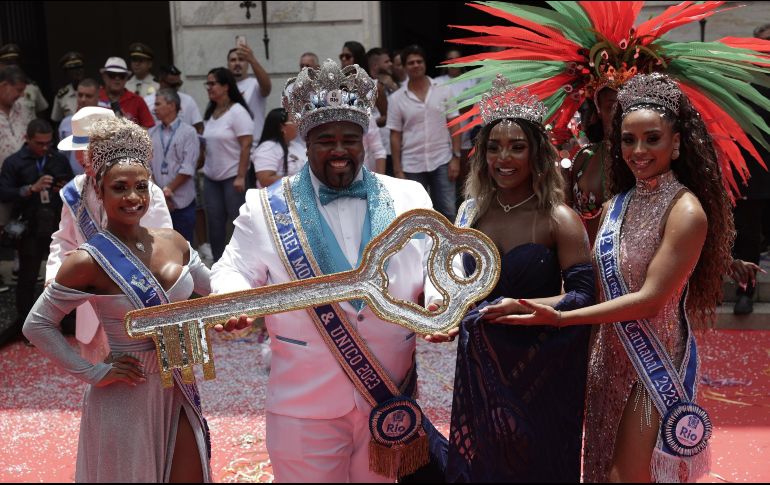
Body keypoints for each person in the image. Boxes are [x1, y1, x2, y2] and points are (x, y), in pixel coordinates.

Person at [495, 73, 733, 482]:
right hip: (606, 360)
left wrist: (561, 318)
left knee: (624, 476)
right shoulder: (616, 205)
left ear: (676, 144)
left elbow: (651, 300)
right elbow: (589, 286)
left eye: (652, 138)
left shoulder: (686, 211)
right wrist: (529, 304)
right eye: (628, 139)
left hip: (653, 366)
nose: (638, 150)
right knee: (600, 466)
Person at [212, 59, 436, 482]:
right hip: (304, 403)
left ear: (365, 141)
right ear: (306, 143)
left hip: (390, 395)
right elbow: (233, 268)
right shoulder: (265, 208)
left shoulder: (410, 195)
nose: (339, 150)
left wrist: (440, 301)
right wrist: (232, 300)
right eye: (325, 140)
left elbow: (435, 265)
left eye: (349, 139)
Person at [425, 76, 595, 482]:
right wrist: (444, 313)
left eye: (517, 147)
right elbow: (461, 289)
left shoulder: (559, 218)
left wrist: (525, 308)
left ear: (536, 155)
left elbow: (585, 297)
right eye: (494, 147)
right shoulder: (469, 215)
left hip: (541, 366)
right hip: (482, 368)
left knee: (537, 463)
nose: (504, 157)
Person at [24, 116, 212, 482]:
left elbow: (212, 290)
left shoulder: (173, 241)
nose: (133, 197)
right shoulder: (88, 259)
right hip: (128, 392)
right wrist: (94, 372)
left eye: (141, 186)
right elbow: (36, 324)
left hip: (179, 387)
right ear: (99, 190)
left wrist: (231, 313)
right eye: (120, 188)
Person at [47, 106, 172, 364]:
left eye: (89, 150)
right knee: (99, 385)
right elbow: (63, 239)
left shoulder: (146, 193)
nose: (83, 158)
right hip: (90, 311)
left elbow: (164, 245)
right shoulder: (74, 192)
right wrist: (55, 275)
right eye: (78, 151)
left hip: (137, 305)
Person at [0, 119, 73, 346]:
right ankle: (27, 327)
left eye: (48, 143)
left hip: (56, 225)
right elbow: (4, 192)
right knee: (28, 278)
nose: (44, 147)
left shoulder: (58, 158)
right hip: (29, 227)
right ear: (27, 140)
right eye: (39, 143)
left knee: (66, 276)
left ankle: (68, 324)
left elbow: (74, 185)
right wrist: (30, 189)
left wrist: (65, 189)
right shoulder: (14, 162)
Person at [388, 44, 461, 220]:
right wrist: (398, 171)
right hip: (412, 163)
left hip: (442, 160)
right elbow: (395, 135)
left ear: (425, 64)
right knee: (415, 215)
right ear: (405, 67)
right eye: (411, 62)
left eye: (419, 61)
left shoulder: (444, 90)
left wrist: (456, 157)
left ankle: (450, 248)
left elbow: (454, 124)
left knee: (448, 212)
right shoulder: (396, 98)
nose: (415, 65)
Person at [201, 67, 253, 262]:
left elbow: (246, 144)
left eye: (212, 83)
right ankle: (218, 262)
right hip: (211, 178)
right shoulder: (211, 112)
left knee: (237, 222)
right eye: (208, 83)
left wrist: (241, 176)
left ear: (225, 86)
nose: (209, 87)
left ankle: (241, 262)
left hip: (233, 178)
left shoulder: (238, 112)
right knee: (214, 223)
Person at [149, 88, 200, 243]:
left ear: (171, 105)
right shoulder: (151, 133)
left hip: (182, 202)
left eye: (158, 104)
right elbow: (147, 167)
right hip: (158, 202)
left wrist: (168, 191)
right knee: (161, 247)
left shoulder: (189, 132)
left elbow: (188, 167)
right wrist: (161, 194)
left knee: (183, 247)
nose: (154, 108)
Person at [227, 43, 271, 142]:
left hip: (254, 144)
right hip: (230, 146)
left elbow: (267, 88)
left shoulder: (255, 84)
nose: (237, 63)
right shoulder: (224, 88)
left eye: (241, 60)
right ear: (228, 64)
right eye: (233, 60)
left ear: (247, 64)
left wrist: (252, 60)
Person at [250, 107, 303, 188]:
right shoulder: (267, 149)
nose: (297, 124)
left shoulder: (297, 146)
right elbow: (265, 180)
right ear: (282, 127)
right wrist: (300, 181)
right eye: (293, 121)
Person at [144, 64, 204, 133]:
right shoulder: (147, 101)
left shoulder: (188, 100)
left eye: (179, 84)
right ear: (161, 81)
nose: (176, 88)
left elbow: (199, 127)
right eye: (172, 85)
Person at [58, 78, 100, 176]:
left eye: (88, 96)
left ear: (98, 97)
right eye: (80, 95)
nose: (83, 99)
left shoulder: (109, 122)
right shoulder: (66, 123)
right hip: (73, 181)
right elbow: (62, 157)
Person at [98, 56, 154, 128]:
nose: (117, 78)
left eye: (121, 75)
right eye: (112, 75)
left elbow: (150, 129)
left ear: (126, 78)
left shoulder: (137, 101)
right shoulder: (93, 97)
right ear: (104, 76)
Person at [0, 44, 48, 119]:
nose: (12, 68)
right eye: (8, 64)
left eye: (15, 63)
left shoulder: (31, 88)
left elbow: (41, 116)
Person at [51, 51, 86, 123]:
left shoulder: (94, 90)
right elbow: (57, 120)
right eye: (73, 69)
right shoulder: (62, 95)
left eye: (79, 67)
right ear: (66, 73)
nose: (78, 71)